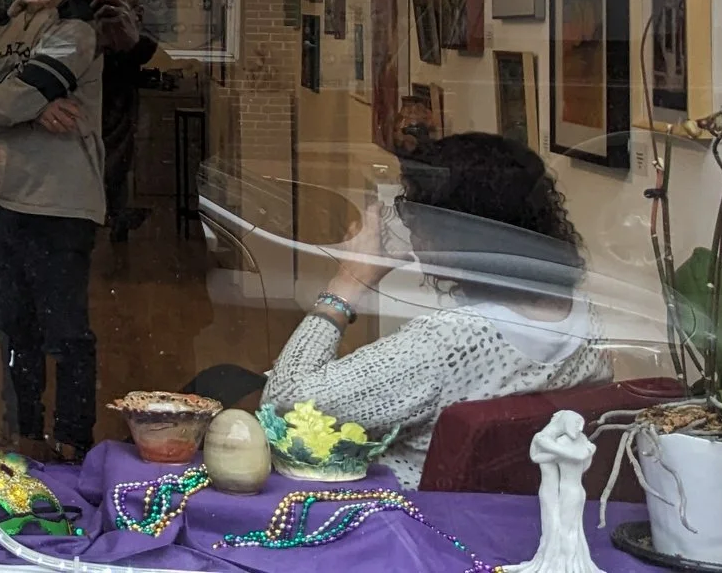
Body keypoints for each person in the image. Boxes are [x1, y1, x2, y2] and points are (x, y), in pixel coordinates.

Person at [261, 132, 609, 488]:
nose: (411, 229)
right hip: (510, 511)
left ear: (454, 231)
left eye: (413, 213)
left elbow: (285, 403)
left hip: (406, 511)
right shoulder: (585, 317)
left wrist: (347, 283)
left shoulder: (452, 340)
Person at [0, 0, 142, 462]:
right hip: (6, 196)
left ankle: (73, 443)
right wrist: (29, 107)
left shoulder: (76, 27)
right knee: (13, 328)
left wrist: (20, 103)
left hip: (61, 203)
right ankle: (24, 435)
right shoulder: (10, 26)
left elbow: (5, 101)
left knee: (66, 333)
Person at [94, 0, 160, 241]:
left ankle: (116, 219)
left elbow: (144, 50)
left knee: (118, 162)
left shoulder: (138, 21)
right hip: (99, 92)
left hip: (120, 93)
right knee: (105, 160)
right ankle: (111, 217)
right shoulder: (105, 12)